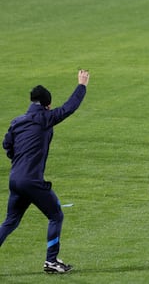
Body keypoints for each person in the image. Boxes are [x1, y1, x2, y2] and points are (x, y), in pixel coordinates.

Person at [0, 70, 90, 273]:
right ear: (47, 104)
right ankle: (51, 261)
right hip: (32, 181)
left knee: (10, 221)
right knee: (56, 215)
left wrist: (19, 161)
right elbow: (69, 108)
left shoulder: (17, 121)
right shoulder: (46, 118)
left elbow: (7, 145)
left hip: (15, 179)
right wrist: (81, 85)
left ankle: (52, 261)